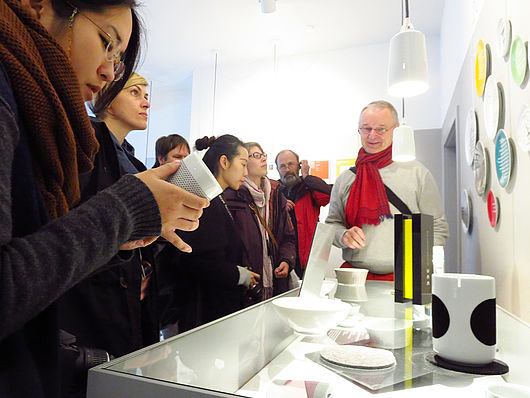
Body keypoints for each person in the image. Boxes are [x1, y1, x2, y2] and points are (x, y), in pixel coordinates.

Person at [0, 1, 208, 396]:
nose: (110, 71)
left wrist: (131, 233)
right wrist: (127, 211)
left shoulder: (42, 122)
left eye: (118, 58)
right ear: (43, 9)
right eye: (106, 42)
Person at [58, 72, 160, 397]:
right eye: (134, 92)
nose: (146, 101)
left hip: (125, 300)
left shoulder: (130, 160)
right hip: (88, 304)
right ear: (107, 98)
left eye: (146, 93)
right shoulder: (86, 146)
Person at [325, 100, 449, 280]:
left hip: (407, 277)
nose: (372, 135)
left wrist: (428, 273)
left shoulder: (417, 173)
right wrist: (343, 235)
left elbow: (436, 227)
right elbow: (332, 225)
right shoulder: (346, 178)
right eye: (366, 129)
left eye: (381, 129)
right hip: (355, 277)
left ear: (396, 130)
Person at [172, 135, 261, 333]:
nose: (246, 173)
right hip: (205, 314)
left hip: (211, 309)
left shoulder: (215, 198)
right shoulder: (206, 201)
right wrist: (240, 275)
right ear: (224, 162)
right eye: (243, 164)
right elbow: (201, 262)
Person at [223, 142, 296, 304]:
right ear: (243, 162)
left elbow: (288, 237)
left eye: (263, 154)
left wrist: (286, 260)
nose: (263, 158)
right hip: (247, 285)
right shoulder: (232, 197)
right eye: (256, 155)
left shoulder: (276, 195)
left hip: (276, 281)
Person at [275, 150, 332, 277]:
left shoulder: (309, 187)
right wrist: (280, 204)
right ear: (278, 169)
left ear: (299, 166)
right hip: (282, 257)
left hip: (310, 257)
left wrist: (307, 176)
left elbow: (331, 194)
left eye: (291, 164)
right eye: (283, 166)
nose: (288, 169)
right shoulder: (274, 191)